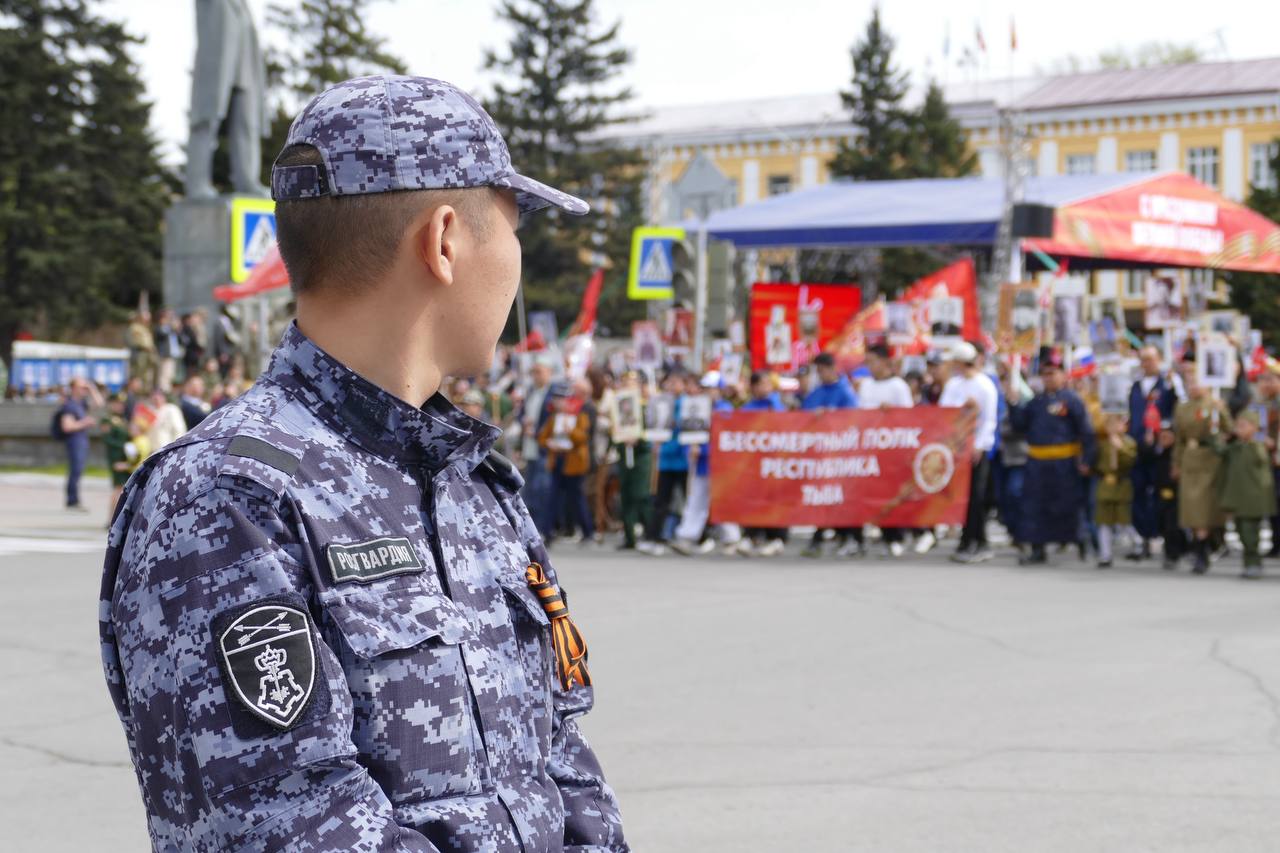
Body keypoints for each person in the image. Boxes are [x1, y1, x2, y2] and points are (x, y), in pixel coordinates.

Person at [100, 74, 626, 852]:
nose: (515, 261)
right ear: (444, 240)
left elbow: (562, 772)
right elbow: (288, 825)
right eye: (514, 226)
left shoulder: (474, 485)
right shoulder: (228, 497)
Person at [1007, 346, 1096, 566]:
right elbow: (1020, 425)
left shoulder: (1072, 400)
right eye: (1045, 374)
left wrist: (1087, 459)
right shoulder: (1036, 402)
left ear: (1063, 375)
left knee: (1069, 505)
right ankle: (1038, 548)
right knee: (1035, 506)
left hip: (1064, 463)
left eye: (1053, 373)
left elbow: (1086, 431)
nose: (1048, 378)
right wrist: (1013, 403)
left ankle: (1081, 542)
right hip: (1038, 464)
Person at [939, 342, 999, 563]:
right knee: (961, 497)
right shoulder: (954, 385)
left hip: (975, 450)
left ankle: (975, 540)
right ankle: (970, 540)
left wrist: (980, 445)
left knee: (976, 496)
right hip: (956, 448)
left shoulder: (985, 386)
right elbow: (946, 411)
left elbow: (989, 420)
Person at [1173, 360, 1232, 574]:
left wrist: (1221, 413)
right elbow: (1179, 438)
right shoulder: (1182, 407)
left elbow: (1229, 430)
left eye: (1196, 381)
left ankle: (1202, 552)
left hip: (1209, 460)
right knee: (1191, 510)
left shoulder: (1213, 404)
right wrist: (1177, 463)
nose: (1193, 386)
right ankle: (1202, 548)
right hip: (1190, 459)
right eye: (1189, 382)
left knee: (1204, 509)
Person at [801, 352, 861, 557]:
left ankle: (850, 538)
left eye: (822, 370)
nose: (820, 374)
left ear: (832, 368)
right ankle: (824, 537)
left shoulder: (846, 392)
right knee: (824, 497)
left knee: (842, 498)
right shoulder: (816, 392)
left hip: (840, 455)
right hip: (820, 456)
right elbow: (802, 416)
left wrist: (830, 415)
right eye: (817, 371)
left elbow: (853, 419)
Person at [858, 343, 913, 556]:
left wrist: (892, 413)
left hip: (893, 448)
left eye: (872, 361)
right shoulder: (866, 385)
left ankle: (896, 536)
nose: (869, 366)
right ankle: (880, 532)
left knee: (894, 494)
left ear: (884, 362)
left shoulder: (898, 386)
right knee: (875, 493)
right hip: (872, 447)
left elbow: (910, 417)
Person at [1126, 346, 1178, 560]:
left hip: (1159, 449)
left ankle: (1161, 536)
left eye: (1150, 359)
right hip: (1138, 446)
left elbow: (1173, 413)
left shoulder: (1167, 385)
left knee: (1160, 494)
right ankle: (1143, 536)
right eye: (1143, 360)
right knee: (1137, 492)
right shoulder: (1135, 387)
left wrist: (1161, 433)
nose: (1146, 363)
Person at [638, 369, 691, 555]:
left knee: (688, 500)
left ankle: (694, 536)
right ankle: (654, 537)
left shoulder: (688, 403)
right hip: (665, 460)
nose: (673, 385)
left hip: (684, 460)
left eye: (677, 382)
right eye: (670, 381)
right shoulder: (660, 402)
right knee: (661, 501)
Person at [1217, 410, 1275, 579]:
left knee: (1250, 534)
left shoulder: (1257, 446)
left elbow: (1262, 460)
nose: (1239, 429)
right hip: (1239, 498)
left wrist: (1258, 440)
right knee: (1242, 532)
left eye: (1243, 426)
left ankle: (1253, 564)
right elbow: (1220, 451)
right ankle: (1249, 563)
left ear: (1254, 428)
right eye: (1238, 426)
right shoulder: (1236, 446)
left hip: (1253, 500)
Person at [739, 371, 788, 556]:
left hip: (773, 462)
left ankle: (776, 537)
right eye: (761, 384)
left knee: (773, 500)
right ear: (753, 387)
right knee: (753, 500)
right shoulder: (748, 408)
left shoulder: (776, 404)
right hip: (753, 464)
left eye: (768, 383)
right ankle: (751, 535)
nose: (766, 387)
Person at [1093, 413, 1137, 569]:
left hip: (1121, 484)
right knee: (1104, 522)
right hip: (1106, 485)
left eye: (1117, 424)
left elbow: (1130, 461)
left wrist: (1120, 448)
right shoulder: (1103, 444)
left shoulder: (1128, 442)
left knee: (1123, 520)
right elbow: (1096, 463)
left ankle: (1137, 543)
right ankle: (1105, 554)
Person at [57, 377, 101, 511]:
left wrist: (92, 388)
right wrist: (85, 423)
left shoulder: (80, 403)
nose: (84, 390)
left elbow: (99, 403)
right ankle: (72, 500)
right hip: (74, 441)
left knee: (78, 470)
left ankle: (73, 499)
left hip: (81, 440)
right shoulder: (70, 405)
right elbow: (67, 426)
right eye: (82, 387)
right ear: (74, 388)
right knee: (75, 470)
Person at [1148, 420, 1185, 570]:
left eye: (1168, 436)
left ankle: (1173, 554)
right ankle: (1181, 548)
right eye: (1162, 436)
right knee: (1162, 524)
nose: (1164, 439)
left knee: (1172, 525)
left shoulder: (1177, 454)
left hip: (1176, 494)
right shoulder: (1157, 451)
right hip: (1159, 493)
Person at [1256, 366, 1280, 557]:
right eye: (1264, 380)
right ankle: (1276, 542)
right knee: (1272, 503)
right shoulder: (1260, 403)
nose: (1267, 384)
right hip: (1266, 460)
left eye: (1271, 379)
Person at [100, 392, 132, 517]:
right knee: (118, 488)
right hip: (116, 457)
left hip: (125, 457)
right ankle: (111, 518)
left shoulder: (122, 419)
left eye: (121, 404)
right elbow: (107, 439)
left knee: (122, 488)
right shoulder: (107, 420)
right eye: (117, 404)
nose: (120, 406)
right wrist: (123, 446)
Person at [153, 308, 183, 393]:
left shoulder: (168, 328)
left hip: (172, 355)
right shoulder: (159, 328)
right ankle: (163, 391)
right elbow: (162, 334)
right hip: (164, 355)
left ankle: (167, 390)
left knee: (170, 375)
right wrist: (172, 327)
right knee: (164, 375)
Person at [125, 311, 156, 387]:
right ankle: (137, 389)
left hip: (146, 352)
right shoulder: (134, 327)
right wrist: (146, 347)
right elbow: (138, 341)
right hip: (140, 352)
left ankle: (144, 388)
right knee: (138, 372)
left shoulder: (144, 327)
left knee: (146, 372)